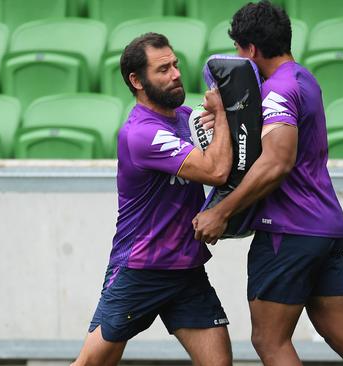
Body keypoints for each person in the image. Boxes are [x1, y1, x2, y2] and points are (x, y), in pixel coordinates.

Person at [192, 2, 343, 365]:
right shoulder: (302, 78)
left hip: (289, 230)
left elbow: (277, 161)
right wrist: (222, 116)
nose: (237, 55)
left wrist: (221, 211)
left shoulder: (278, 90)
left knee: (269, 339)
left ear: (250, 49)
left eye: (238, 49)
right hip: (323, 227)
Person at [72, 32, 233, 366]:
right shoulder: (142, 133)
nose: (175, 74)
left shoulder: (186, 116)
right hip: (141, 269)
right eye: (163, 69)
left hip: (187, 269)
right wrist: (226, 114)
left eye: (175, 64)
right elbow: (216, 171)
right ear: (137, 80)